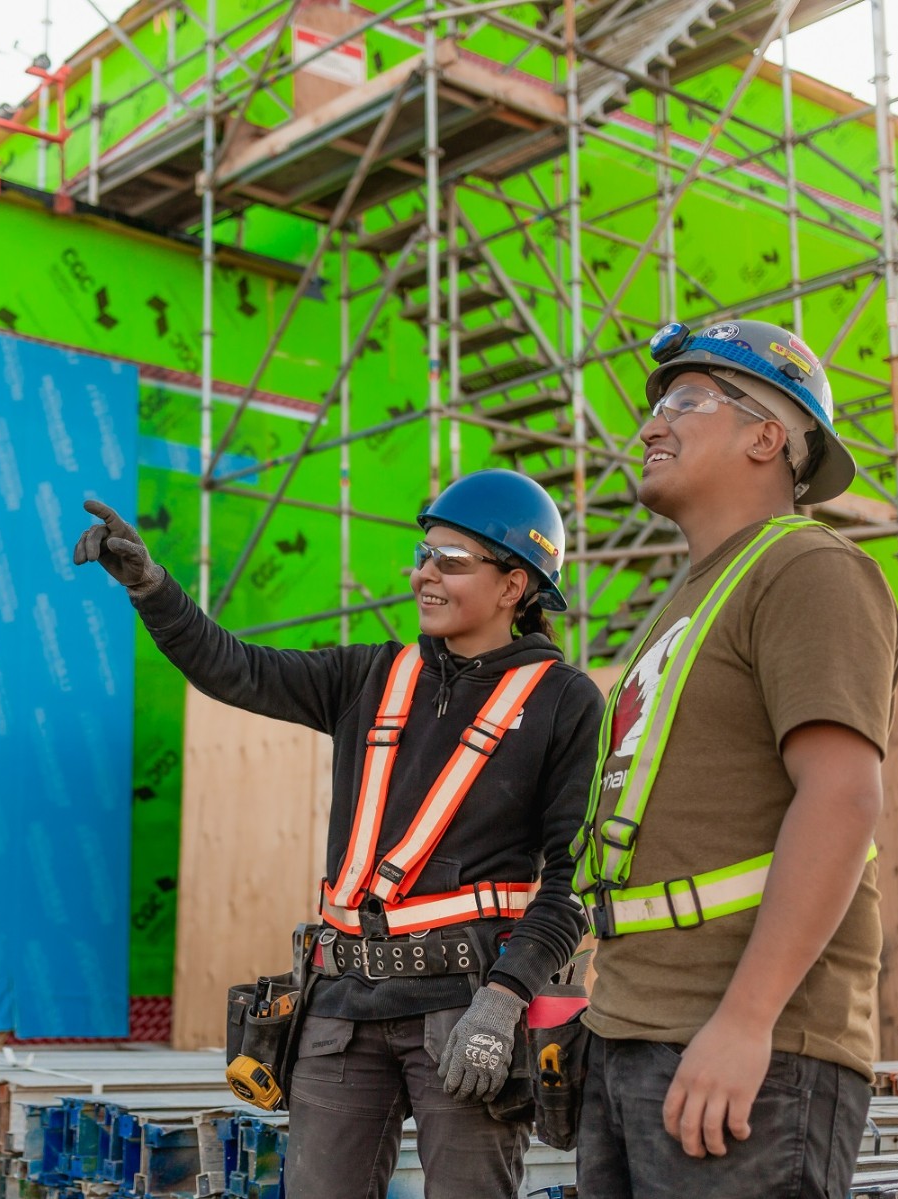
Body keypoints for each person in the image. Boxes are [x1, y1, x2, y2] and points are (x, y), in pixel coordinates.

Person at [75, 469, 604, 1198]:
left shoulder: (563, 702)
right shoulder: (370, 675)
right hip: (340, 1009)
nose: (425, 574)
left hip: (465, 1014)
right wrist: (153, 590)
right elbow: (235, 667)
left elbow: (573, 879)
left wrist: (504, 1001)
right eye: (424, 555)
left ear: (515, 584)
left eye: (452, 561)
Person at [570, 318, 898, 1198]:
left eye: (685, 400)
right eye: (655, 405)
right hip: (635, 1031)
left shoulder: (807, 570)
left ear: (768, 435)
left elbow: (841, 800)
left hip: (747, 1049)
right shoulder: (688, 597)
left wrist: (746, 1020)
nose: (649, 425)